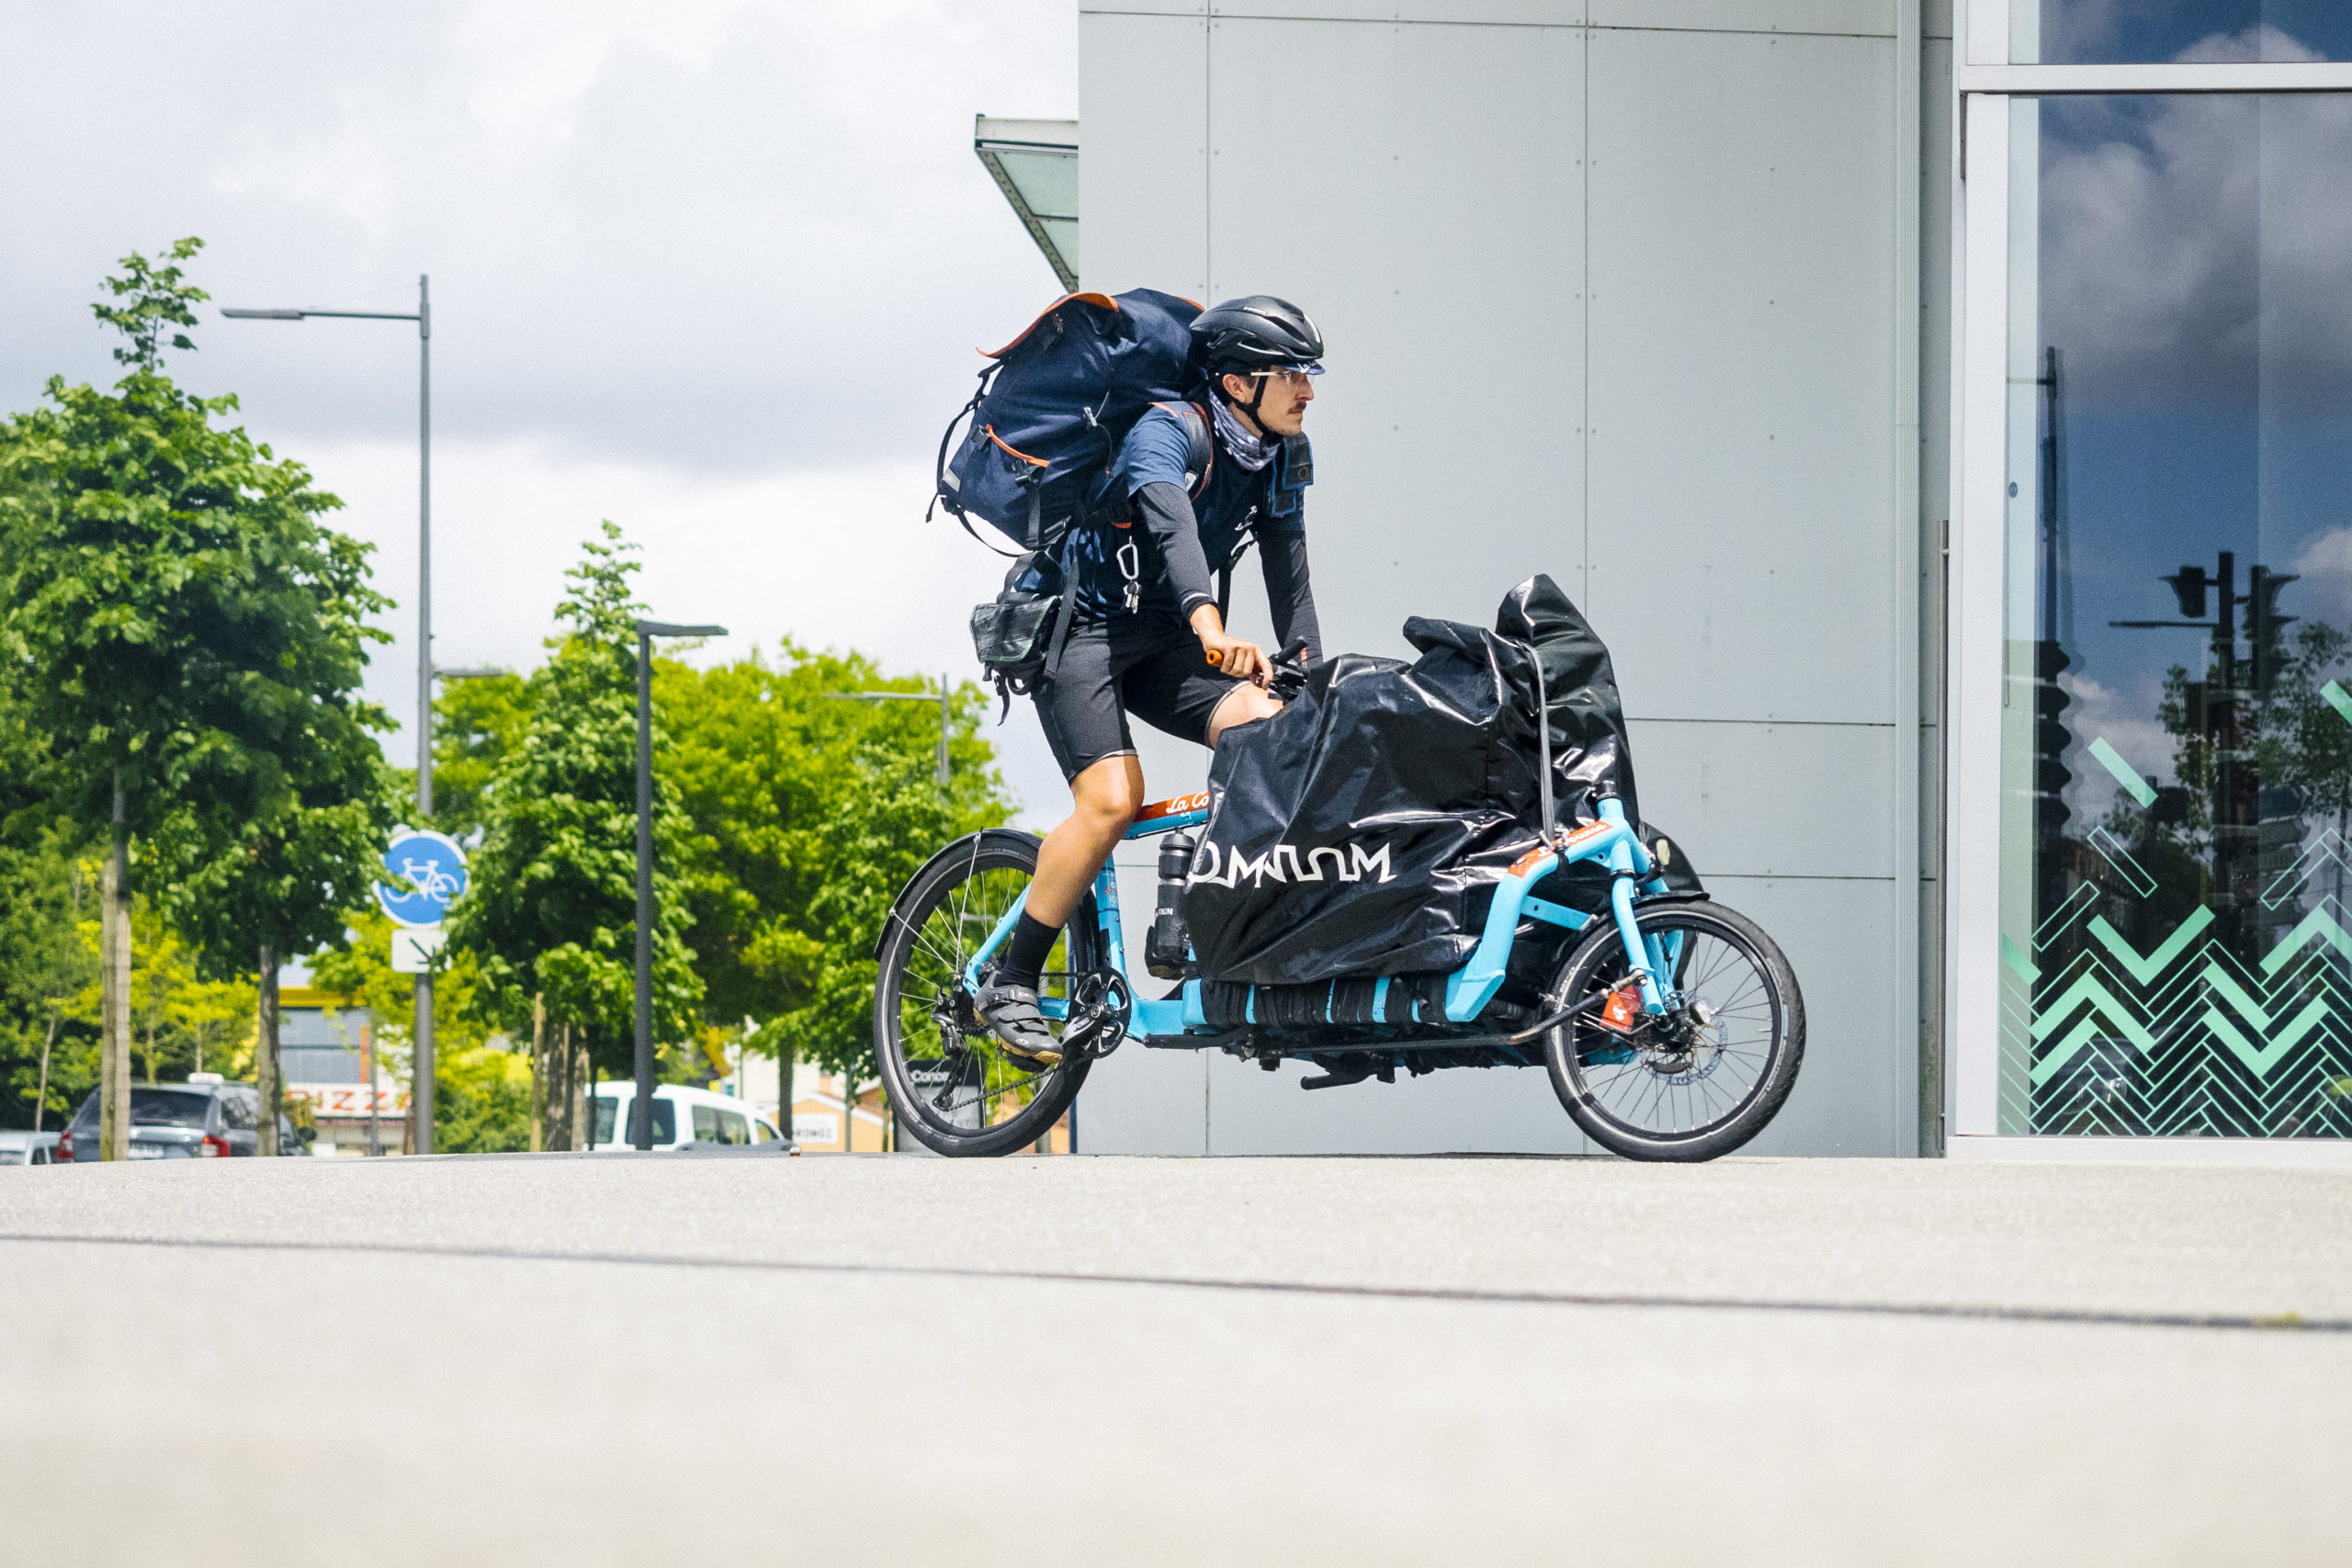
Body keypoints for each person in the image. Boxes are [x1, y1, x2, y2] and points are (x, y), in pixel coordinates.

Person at [976, 296, 1329, 1064]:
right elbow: (1170, 527)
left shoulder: (1280, 455)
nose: (1307, 390)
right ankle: (1011, 978)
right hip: (1081, 633)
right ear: (1237, 384)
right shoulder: (1167, 431)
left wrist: (1309, 668)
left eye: (1310, 375)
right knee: (1112, 801)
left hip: (1164, 641)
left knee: (1272, 732)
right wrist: (1209, 623)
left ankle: (1201, 922)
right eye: (1291, 375)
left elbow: (1290, 575)